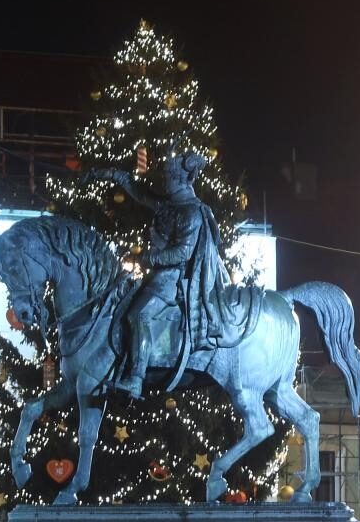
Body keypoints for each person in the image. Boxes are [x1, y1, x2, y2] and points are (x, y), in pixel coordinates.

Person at [93, 149, 259, 397]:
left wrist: (146, 257)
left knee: (137, 315)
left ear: (180, 179)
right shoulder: (170, 204)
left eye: (167, 178)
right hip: (160, 276)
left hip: (175, 279)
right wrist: (110, 174)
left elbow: (181, 253)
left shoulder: (191, 212)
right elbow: (139, 193)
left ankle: (136, 378)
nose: (163, 182)